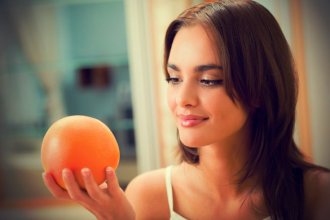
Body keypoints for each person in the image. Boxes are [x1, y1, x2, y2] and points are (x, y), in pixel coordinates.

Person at [43, 0, 330, 219]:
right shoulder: (148, 196)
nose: (183, 99)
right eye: (174, 78)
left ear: (259, 88)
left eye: (208, 80)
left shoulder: (318, 196)